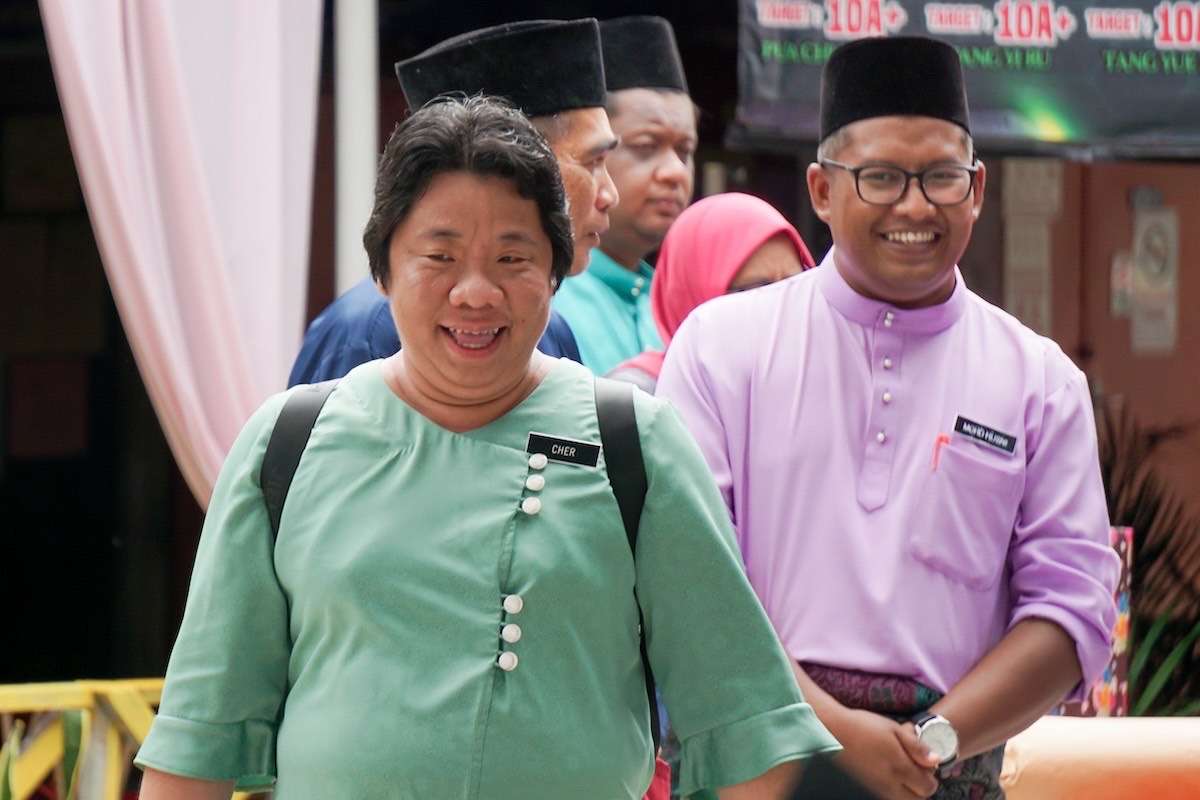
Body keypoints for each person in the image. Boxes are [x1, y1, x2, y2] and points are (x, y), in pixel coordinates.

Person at [135, 95, 839, 800]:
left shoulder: (635, 443)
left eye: (512, 257)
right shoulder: (288, 443)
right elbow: (198, 741)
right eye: (439, 256)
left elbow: (750, 728)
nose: (475, 292)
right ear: (382, 269)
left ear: (557, 270)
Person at [656, 36, 1119, 800]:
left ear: (977, 189)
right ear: (821, 189)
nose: (914, 205)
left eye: (941, 176)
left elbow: (1072, 610)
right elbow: (684, 577)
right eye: (880, 177)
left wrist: (932, 742)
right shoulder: (721, 347)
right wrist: (832, 731)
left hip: (942, 768)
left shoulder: (1040, 382)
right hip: (754, 762)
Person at [286, 18, 618, 386]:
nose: (609, 195)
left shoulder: (550, 328)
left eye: (510, 260)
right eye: (592, 162)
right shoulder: (369, 331)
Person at [551, 16, 698, 376]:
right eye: (646, 146)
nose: (675, 172)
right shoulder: (544, 298)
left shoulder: (686, 308)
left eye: (685, 151)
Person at [608, 192, 816, 394]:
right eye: (758, 291)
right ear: (691, 295)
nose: (783, 308)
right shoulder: (636, 399)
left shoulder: (814, 383)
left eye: (795, 286)